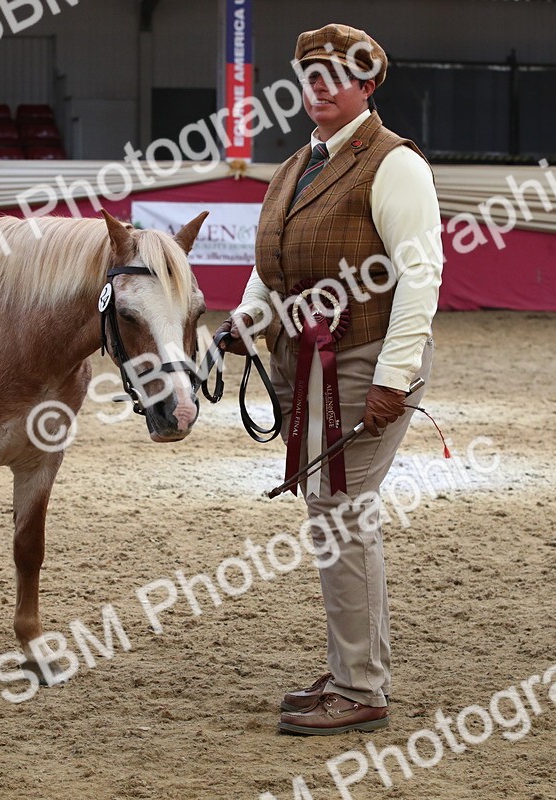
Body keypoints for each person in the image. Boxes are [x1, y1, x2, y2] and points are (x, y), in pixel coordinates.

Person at [217, 23, 442, 735]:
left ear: (367, 86)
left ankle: (361, 686)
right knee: (338, 517)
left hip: (364, 363)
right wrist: (250, 318)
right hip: (310, 366)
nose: (318, 86)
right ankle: (356, 670)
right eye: (309, 74)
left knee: (340, 517)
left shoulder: (393, 164)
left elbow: (420, 277)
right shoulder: (294, 167)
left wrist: (393, 379)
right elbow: (270, 264)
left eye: (334, 75)